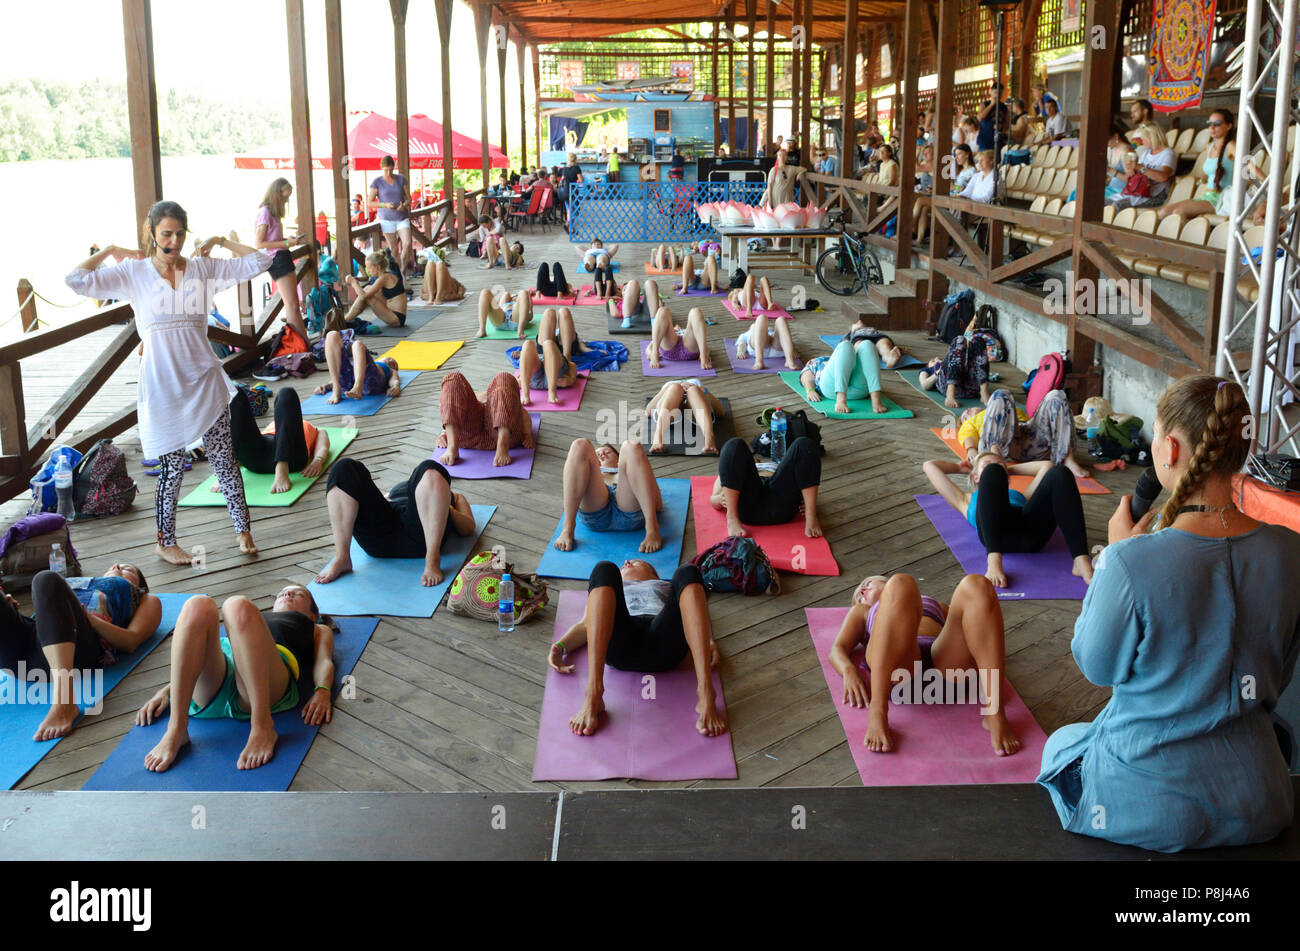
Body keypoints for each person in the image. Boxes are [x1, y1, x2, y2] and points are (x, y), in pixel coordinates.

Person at [1038, 375, 1300, 852]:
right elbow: (1276, 679)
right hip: (1260, 800)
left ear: (1172, 450)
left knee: (1060, 745)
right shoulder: (1291, 551)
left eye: (1156, 433)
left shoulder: (1129, 560)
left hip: (1151, 804)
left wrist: (1111, 564)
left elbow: (1097, 666)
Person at [67, 202, 267, 564]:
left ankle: (243, 530)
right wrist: (111, 251)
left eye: (179, 234)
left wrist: (222, 241)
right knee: (172, 467)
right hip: (162, 384)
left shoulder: (203, 269)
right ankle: (165, 541)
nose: (173, 241)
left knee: (224, 459)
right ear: (151, 232)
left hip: (203, 379)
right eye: (166, 234)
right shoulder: (134, 272)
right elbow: (75, 280)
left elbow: (260, 261)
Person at [135, 586, 337, 771]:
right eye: (282, 592)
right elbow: (195, 656)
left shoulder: (317, 628)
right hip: (221, 673)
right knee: (197, 604)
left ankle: (262, 726)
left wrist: (323, 690)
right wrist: (166, 691)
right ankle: (177, 728)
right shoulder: (252, 619)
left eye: (299, 594)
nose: (287, 594)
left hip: (264, 682)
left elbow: (324, 661)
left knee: (236, 605)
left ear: (312, 615)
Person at [828, 573, 1021, 755]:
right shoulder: (864, 611)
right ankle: (877, 712)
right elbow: (838, 648)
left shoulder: (938, 606)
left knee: (977, 584)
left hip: (948, 672)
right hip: (899, 673)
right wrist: (848, 671)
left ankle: (994, 712)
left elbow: (976, 628)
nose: (862, 590)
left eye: (867, 583)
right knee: (901, 583)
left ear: (882, 581)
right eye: (859, 595)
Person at [550, 559, 726, 737]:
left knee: (688, 571)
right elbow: (585, 626)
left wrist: (707, 642)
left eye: (637, 562)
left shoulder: (665, 585)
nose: (626, 562)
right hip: (621, 643)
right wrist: (560, 647)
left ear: (652, 573)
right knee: (604, 569)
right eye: (624, 565)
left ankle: (706, 694)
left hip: (663, 642)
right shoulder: (610, 590)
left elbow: (692, 617)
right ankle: (593, 694)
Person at [0, 564, 159, 741]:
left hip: (77, 649)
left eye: (128, 569)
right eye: (115, 565)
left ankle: (64, 700)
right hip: (25, 653)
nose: (117, 566)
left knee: (45, 577)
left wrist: (92, 620)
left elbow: (131, 641)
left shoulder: (145, 598)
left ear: (139, 584)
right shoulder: (78, 582)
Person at [924, 452, 1094, 588]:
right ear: (975, 477)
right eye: (987, 464)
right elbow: (929, 466)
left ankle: (1080, 560)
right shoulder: (964, 500)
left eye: (1000, 465)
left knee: (1060, 472)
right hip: (998, 539)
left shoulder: (1021, 495)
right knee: (992, 473)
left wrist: (1006, 469)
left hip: (1031, 535)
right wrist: (959, 467)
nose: (996, 467)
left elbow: (1047, 466)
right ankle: (994, 561)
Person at [314, 456, 474, 589]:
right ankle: (342, 557)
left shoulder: (450, 494)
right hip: (381, 535)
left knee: (430, 467)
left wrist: (447, 509)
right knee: (344, 468)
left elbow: (468, 528)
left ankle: (432, 559)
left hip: (421, 536)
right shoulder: (405, 487)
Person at [555, 439, 664, 554]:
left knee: (631, 446)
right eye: (597, 454)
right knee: (580, 444)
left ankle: (652, 528)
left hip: (629, 507)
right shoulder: (590, 476)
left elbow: (658, 505)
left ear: (619, 459)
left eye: (607, 452)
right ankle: (567, 529)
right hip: (596, 511)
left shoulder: (631, 471)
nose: (602, 454)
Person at [958, 387, 1089, 477]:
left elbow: (1033, 422)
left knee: (1057, 395)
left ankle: (1066, 458)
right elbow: (968, 436)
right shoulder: (973, 422)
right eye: (964, 416)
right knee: (1001, 394)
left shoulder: (997, 406)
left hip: (1029, 440)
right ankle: (996, 462)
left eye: (968, 410)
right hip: (1002, 449)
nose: (968, 412)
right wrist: (971, 450)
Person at [710, 436, 822, 538]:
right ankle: (732, 518)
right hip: (747, 506)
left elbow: (803, 474)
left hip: (779, 503)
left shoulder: (773, 466)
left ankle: (811, 516)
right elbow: (713, 499)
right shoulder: (735, 469)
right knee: (734, 444)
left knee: (804, 443)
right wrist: (719, 499)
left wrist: (806, 502)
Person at [227, 386, 331, 495]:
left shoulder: (309, 427)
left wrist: (318, 460)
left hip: (291, 458)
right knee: (235, 392)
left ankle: (282, 467)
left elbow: (323, 437)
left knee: (287, 392)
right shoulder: (277, 421)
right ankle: (228, 469)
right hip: (258, 456)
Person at [252, 178, 311, 345]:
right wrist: (286, 243)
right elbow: (259, 244)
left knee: (293, 305)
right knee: (292, 306)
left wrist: (288, 240)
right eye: (285, 197)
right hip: (277, 260)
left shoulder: (271, 212)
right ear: (276, 194)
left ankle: (303, 343)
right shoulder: (265, 213)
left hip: (281, 257)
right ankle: (301, 344)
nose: (287, 200)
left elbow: (272, 239)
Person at [437, 370, 534, 468]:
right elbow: (451, 406)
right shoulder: (470, 394)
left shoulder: (501, 393)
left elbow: (523, 412)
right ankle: (452, 446)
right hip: (469, 434)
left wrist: (527, 433)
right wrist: (444, 434)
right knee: (453, 377)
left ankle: (502, 447)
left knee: (505, 377)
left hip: (501, 435)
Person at [1159, 109, 1238, 221]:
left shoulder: (1231, 145)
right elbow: (1205, 176)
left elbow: (1249, 165)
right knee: (1164, 212)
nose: (1212, 127)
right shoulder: (1209, 146)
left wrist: (1264, 179)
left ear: (1229, 126)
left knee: (1178, 212)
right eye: (1209, 124)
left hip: (1220, 199)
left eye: (1217, 124)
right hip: (1206, 196)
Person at [798, 336, 891, 416]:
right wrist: (810, 390)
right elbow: (805, 375)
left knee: (867, 344)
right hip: (832, 388)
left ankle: (876, 397)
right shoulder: (816, 362)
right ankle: (841, 399)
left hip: (859, 390)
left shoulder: (842, 357)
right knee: (845, 345)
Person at [517, 306, 586, 405]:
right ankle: (525, 393)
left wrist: (571, 379)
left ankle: (552, 392)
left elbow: (572, 366)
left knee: (563, 312)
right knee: (529, 343)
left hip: (553, 371)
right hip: (544, 366)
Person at [313, 331, 401, 404]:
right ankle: (336, 389)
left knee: (357, 344)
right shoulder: (362, 362)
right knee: (331, 335)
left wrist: (395, 387)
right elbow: (344, 373)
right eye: (389, 358)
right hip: (349, 383)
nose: (390, 360)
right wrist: (326, 386)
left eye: (393, 362)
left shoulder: (389, 369)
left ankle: (358, 386)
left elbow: (395, 379)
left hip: (370, 383)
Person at [645, 379, 728, 455]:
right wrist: (667, 389)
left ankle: (709, 438)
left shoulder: (696, 383)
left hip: (694, 411)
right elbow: (648, 411)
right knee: (675, 388)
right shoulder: (670, 384)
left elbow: (721, 412)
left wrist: (704, 390)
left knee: (693, 390)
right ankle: (658, 438)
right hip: (672, 412)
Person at [919, 335, 991, 409]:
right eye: (933, 360)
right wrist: (938, 371)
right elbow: (925, 385)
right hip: (948, 386)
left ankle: (984, 392)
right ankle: (950, 394)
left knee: (978, 340)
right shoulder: (927, 370)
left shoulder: (951, 361)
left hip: (971, 389)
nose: (936, 358)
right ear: (929, 365)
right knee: (959, 339)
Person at [369, 155, 413, 277]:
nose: (388, 172)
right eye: (386, 170)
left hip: (402, 217)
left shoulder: (401, 179)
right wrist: (385, 204)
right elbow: (370, 202)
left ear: (394, 167)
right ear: (381, 168)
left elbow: (409, 199)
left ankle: (403, 271)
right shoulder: (377, 182)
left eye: (390, 169)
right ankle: (398, 275)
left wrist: (404, 205)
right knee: (394, 249)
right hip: (386, 219)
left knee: (407, 243)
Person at [341, 249, 407, 328]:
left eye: (369, 268)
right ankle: (347, 319)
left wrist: (354, 283)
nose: (368, 271)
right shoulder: (385, 276)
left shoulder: (384, 278)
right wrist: (356, 280)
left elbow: (363, 296)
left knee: (367, 295)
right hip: (394, 315)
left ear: (378, 267)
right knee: (368, 288)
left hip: (396, 318)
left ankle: (345, 320)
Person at [648, 305, 712, 371]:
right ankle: (654, 354)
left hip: (688, 347)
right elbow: (652, 342)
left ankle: (703, 356)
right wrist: (650, 352)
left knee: (696, 311)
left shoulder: (687, 331)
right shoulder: (666, 330)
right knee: (663, 310)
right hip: (669, 347)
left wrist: (706, 353)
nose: (677, 326)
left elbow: (703, 343)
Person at [735, 312, 799, 370]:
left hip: (776, 349)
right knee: (761, 318)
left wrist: (792, 351)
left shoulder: (771, 330)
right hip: (759, 349)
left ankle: (789, 360)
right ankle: (759, 361)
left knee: (781, 319)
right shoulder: (748, 333)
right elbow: (741, 344)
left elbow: (784, 337)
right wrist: (740, 351)